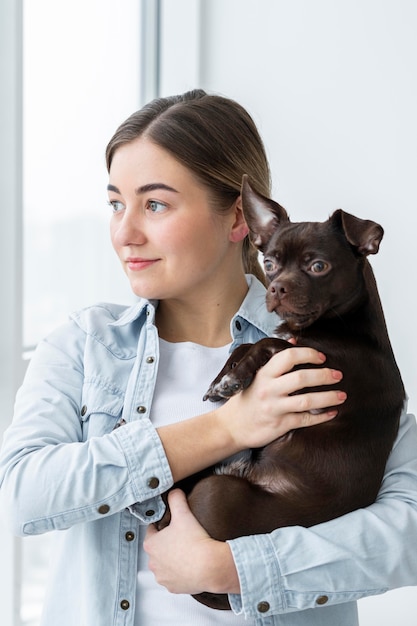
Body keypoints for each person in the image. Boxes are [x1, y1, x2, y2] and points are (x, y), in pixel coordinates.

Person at [0, 89, 416, 626]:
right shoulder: (87, 346)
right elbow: (23, 496)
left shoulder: (332, 353)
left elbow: (405, 532)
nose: (125, 233)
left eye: (155, 204)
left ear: (239, 218)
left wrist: (233, 568)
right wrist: (229, 427)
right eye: (115, 204)